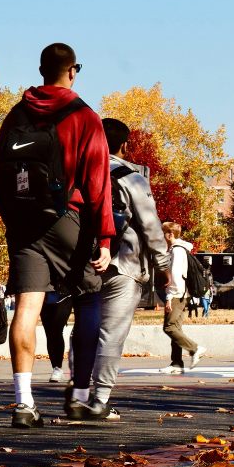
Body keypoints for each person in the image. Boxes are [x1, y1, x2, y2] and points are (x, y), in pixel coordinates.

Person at [0, 43, 114, 429]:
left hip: (24, 222)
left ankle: (23, 403)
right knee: (90, 297)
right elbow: (98, 182)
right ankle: (79, 395)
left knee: (27, 307)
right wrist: (105, 239)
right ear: (72, 71)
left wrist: (12, 218)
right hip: (68, 218)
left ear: (41, 70)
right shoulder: (85, 116)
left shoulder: (17, 114)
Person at [68, 118, 172, 420]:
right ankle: (100, 398)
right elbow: (151, 227)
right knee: (111, 334)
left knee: (84, 330)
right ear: (124, 146)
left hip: (84, 263)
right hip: (124, 264)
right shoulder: (132, 178)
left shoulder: (77, 173)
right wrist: (162, 266)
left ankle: (79, 393)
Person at [159, 223, 206, 374]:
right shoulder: (181, 249)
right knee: (176, 328)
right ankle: (177, 364)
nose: (162, 236)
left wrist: (169, 296)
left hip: (177, 294)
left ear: (170, 234)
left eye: (164, 233)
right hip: (182, 295)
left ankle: (195, 349)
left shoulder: (177, 251)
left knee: (169, 327)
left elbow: (176, 276)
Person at [40, 295, 73, 383]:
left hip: (65, 294)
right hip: (44, 295)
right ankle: (56, 368)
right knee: (49, 333)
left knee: (57, 329)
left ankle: (59, 368)